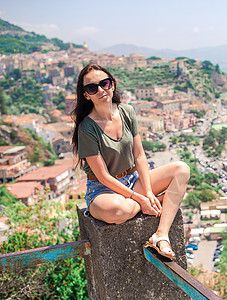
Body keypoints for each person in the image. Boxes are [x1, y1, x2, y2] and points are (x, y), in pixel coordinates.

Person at [71, 63, 190, 260]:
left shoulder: (126, 112)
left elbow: (140, 155)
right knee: (120, 210)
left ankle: (161, 235)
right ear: (86, 95)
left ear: (112, 85)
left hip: (132, 180)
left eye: (105, 83)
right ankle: (164, 202)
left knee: (181, 169)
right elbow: (103, 176)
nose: (101, 90)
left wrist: (149, 192)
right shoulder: (86, 129)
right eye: (92, 88)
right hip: (103, 189)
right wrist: (141, 199)